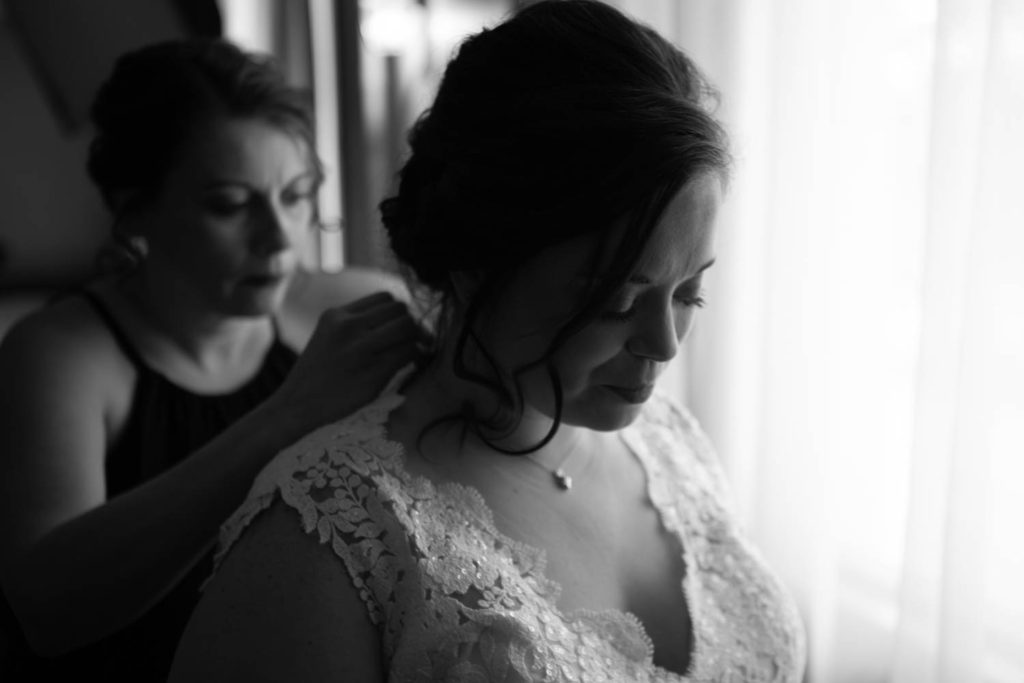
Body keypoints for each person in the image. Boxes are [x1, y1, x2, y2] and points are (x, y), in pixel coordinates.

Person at [169, 2, 807, 681]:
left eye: (689, 293)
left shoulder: (672, 442)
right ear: (478, 262)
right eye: (617, 301)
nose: (665, 344)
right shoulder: (335, 534)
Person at [0, 38, 425, 680]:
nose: (278, 238)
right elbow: (46, 611)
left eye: (296, 195)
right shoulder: (61, 354)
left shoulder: (356, 308)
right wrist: (288, 415)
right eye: (229, 205)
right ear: (133, 208)